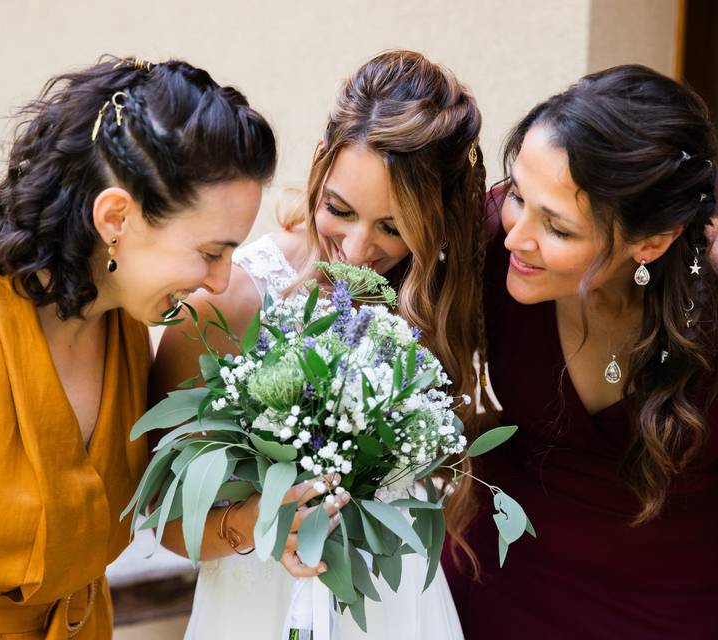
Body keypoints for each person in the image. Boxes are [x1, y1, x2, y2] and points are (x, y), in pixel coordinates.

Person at [0, 55, 276, 639]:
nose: (223, 280)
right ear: (116, 217)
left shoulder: (128, 333)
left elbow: (171, 521)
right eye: (210, 251)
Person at [442, 64, 718, 639]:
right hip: (492, 594)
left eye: (558, 228)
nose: (516, 235)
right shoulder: (490, 241)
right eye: (517, 193)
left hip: (673, 615)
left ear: (653, 242)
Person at [151, 49, 487, 639]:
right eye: (340, 209)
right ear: (319, 168)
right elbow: (163, 516)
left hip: (393, 606)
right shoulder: (224, 303)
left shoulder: (431, 306)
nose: (357, 250)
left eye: (393, 226)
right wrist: (256, 523)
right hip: (260, 607)